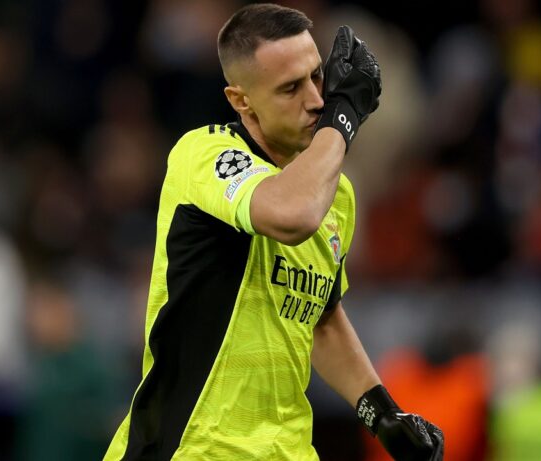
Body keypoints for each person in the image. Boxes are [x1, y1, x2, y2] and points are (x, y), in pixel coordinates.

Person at [104, 4, 443, 460]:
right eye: (290, 88)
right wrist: (342, 119)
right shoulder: (206, 154)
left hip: (287, 448)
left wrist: (381, 414)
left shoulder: (335, 192)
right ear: (241, 100)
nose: (317, 100)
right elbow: (291, 214)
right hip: (193, 448)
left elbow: (320, 317)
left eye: (317, 77)